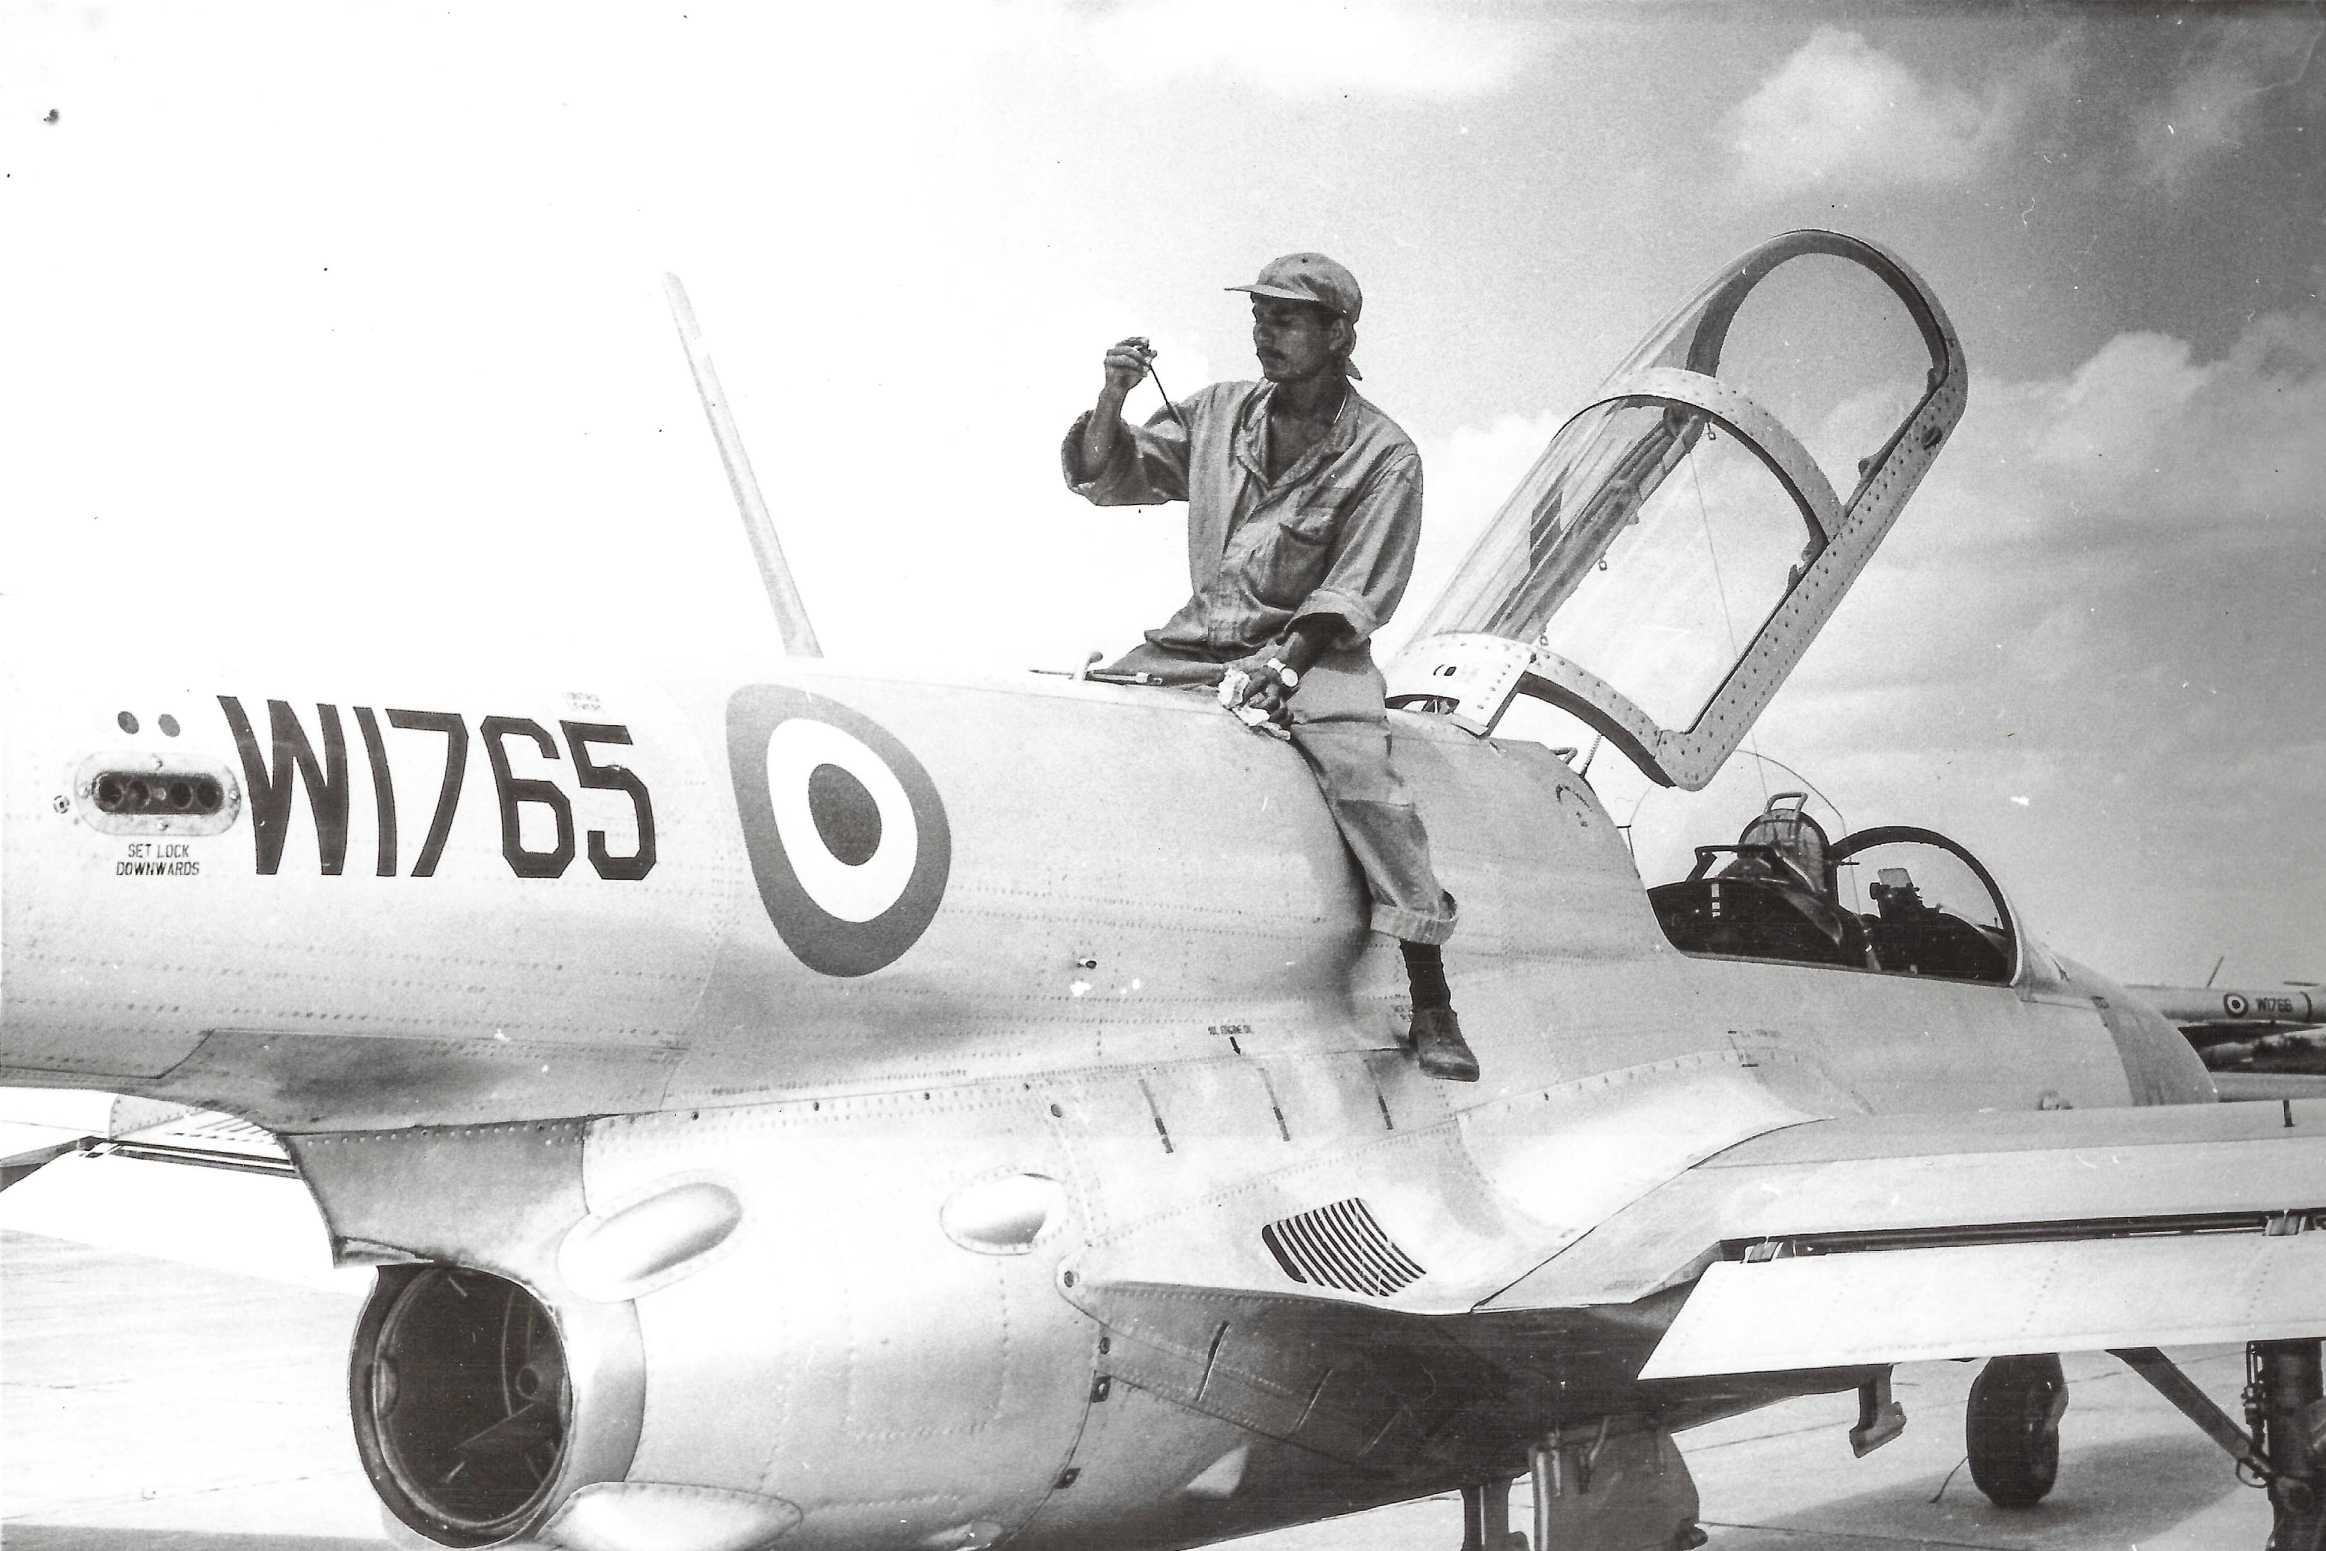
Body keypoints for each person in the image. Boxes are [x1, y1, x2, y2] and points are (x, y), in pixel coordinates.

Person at [1060, 252, 1479, 1083]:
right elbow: (1110, 472)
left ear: (1338, 333)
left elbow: (1356, 588)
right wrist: (1113, 396)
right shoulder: (1218, 414)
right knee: (1091, 700)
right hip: (1202, 639)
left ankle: (1431, 991)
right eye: (1259, 317)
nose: (1265, 335)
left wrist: (1283, 669)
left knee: (1364, 780)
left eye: (1285, 319)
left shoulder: (1387, 455)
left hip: (1317, 648)